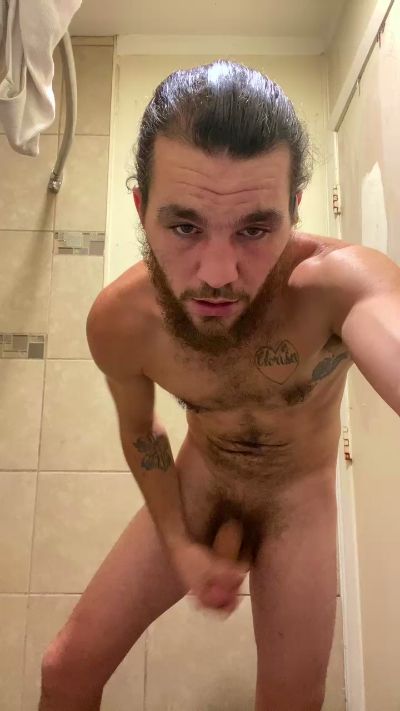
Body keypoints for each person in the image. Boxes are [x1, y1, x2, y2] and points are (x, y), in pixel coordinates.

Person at [38, 60, 400, 711]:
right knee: (65, 669)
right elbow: (141, 430)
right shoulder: (121, 324)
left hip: (300, 501)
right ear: (141, 209)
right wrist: (179, 542)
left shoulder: (336, 286)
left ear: (294, 211)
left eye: (255, 229)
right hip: (201, 484)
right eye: (184, 227)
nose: (218, 272)